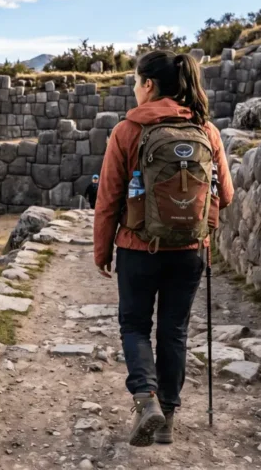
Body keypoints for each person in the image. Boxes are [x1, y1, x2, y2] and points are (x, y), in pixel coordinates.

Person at [93, 50, 233, 447]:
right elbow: (225, 194)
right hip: (190, 250)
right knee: (174, 330)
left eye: (136, 82)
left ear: (149, 85)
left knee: (135, 326)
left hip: (137, 248)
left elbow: (108, 199)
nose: (135, 90)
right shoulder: (206, 130)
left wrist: (102, 251)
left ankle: (146, 399)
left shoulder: (127, 131)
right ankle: (167, 417)